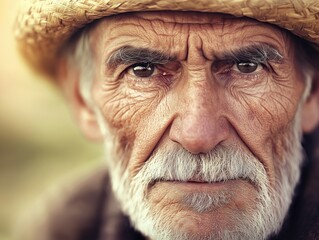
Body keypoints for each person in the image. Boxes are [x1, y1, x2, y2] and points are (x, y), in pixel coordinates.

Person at [14, 0, 319, 239]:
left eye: (247, 67)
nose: (197, 135)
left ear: (312, 93)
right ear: (84, 101)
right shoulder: (63, 229)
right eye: (142, 70)